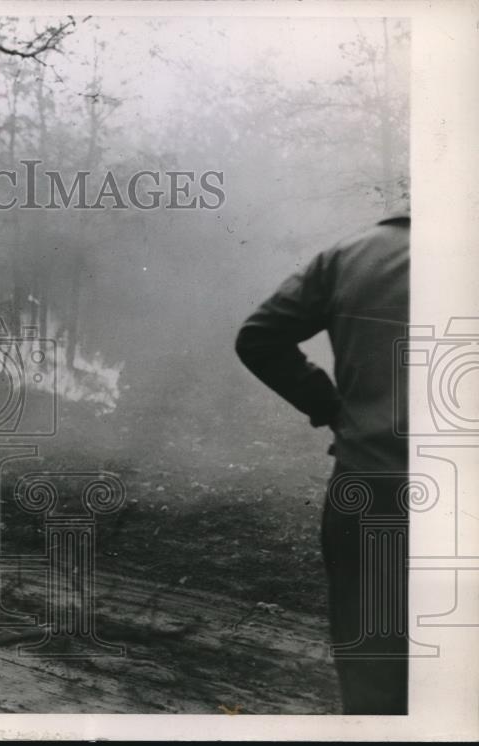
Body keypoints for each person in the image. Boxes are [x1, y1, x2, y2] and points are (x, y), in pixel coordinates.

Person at [235, 212, 409, 715]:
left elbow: (260, 337)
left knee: (375, 673)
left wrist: (330, 407)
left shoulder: (353, 253)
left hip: (372, 487)